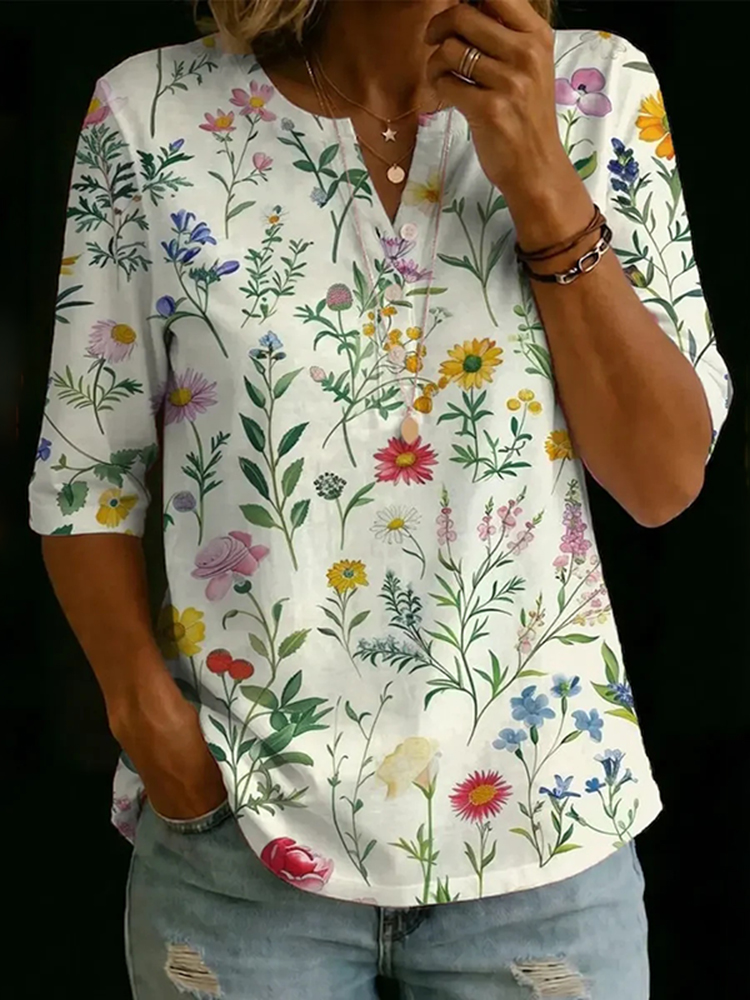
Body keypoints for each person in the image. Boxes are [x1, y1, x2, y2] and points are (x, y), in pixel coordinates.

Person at [29, 1, 732, 997]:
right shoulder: (152, 113)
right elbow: (85, 465)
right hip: (240, 845)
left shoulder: (598, 92)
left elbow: (662, 482)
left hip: (544, 840)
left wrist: (539, 174)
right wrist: (152, 725)